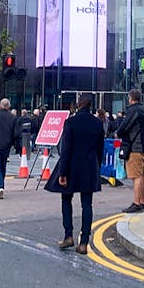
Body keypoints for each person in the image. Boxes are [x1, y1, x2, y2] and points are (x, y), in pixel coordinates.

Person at [46, 93, 104, 255]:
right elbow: (100, 149)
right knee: (87, 204)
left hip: (71, 166)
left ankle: (68, 236)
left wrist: (62, 172)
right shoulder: (97, 123)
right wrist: (96, 167)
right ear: (91, 106)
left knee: (66, 199)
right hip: (89, 167)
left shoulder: (70, 122)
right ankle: (84, 241)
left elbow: (66, 149)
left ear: (78, 105)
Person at [117, 89, 144, 213]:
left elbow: (124, 127)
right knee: (142, 175)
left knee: (136, 176)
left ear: (131, 98)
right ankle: (142, 202)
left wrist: (118, 133)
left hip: (134, 147)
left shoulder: (133, 110)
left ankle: (136, 203)